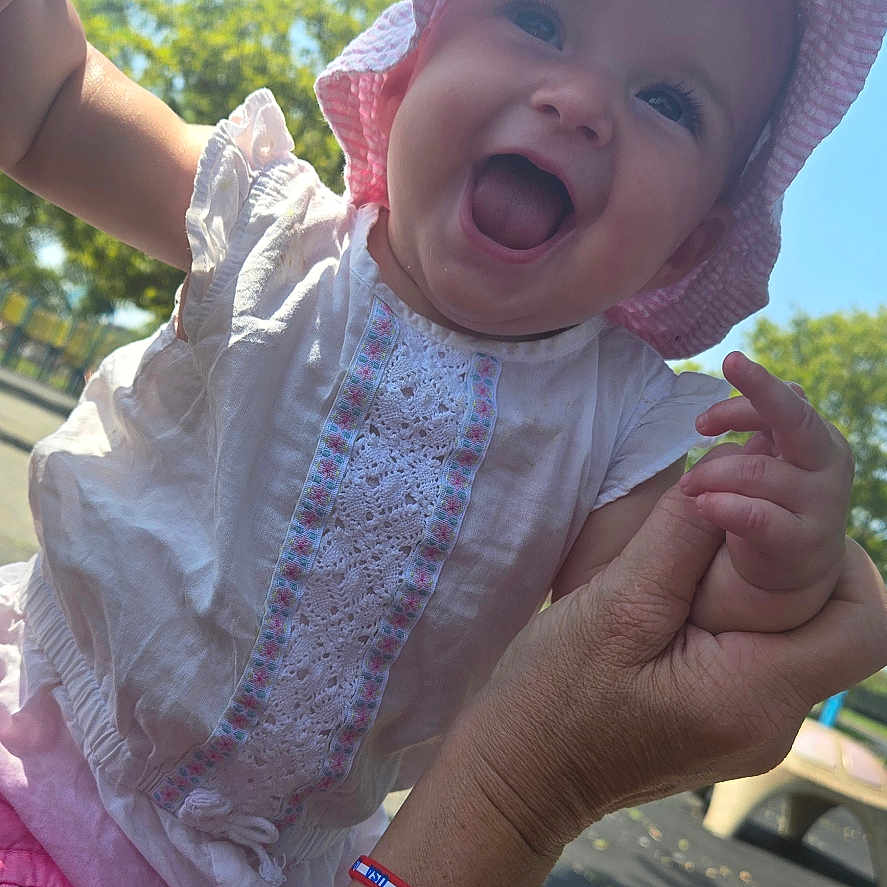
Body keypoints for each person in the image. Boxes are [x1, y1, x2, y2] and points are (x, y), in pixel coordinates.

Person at [0, 0, 884, 884]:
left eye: (669, 102)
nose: (579, 102)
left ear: (687, 244)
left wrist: (775, 564)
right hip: (37, 738)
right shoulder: (273, 236)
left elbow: (652, 633)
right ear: (407, 70)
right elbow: (51, 105)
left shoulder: (619, 425)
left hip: (263, 865)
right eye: (537, 21)